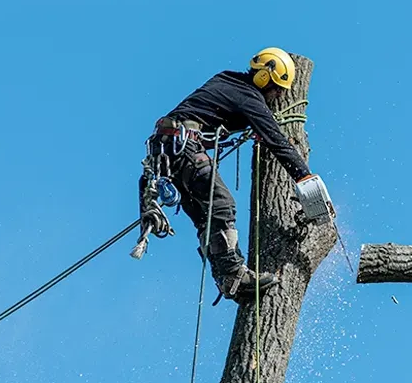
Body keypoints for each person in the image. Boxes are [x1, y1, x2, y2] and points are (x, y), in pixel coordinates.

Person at [136, 47, 331, 302]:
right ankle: (233, 273)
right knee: (221, 204)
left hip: (167, 152)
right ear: (264, 79)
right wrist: (306, 179)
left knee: (207, 220)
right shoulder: (249, 96)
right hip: (183, 147)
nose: (277, 96)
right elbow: (277, 142)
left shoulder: (227, 80)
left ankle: (227, 279)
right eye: (277, 90)